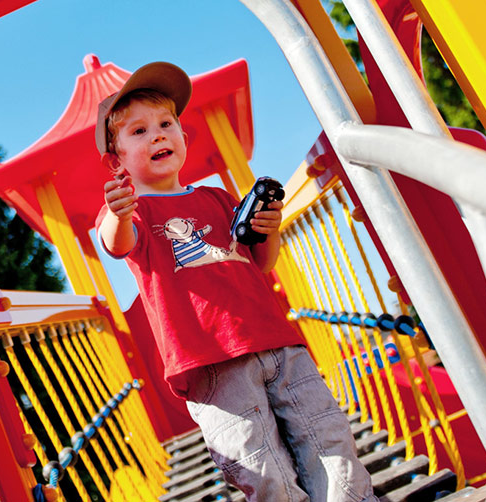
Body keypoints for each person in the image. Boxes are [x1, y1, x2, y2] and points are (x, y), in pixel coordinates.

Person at [95, 61, 377, 502]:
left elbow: (260, 262)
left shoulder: (219, 198)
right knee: (260, 467)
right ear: (118, 162)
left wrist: (270, 227)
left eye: (167, 123)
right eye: (138, 131)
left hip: (278, 343)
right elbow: (114, 243)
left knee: (329, 439)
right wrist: (117, 210)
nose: (158, 135)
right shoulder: (134, 213)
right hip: (211, 364)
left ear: (184, 137)